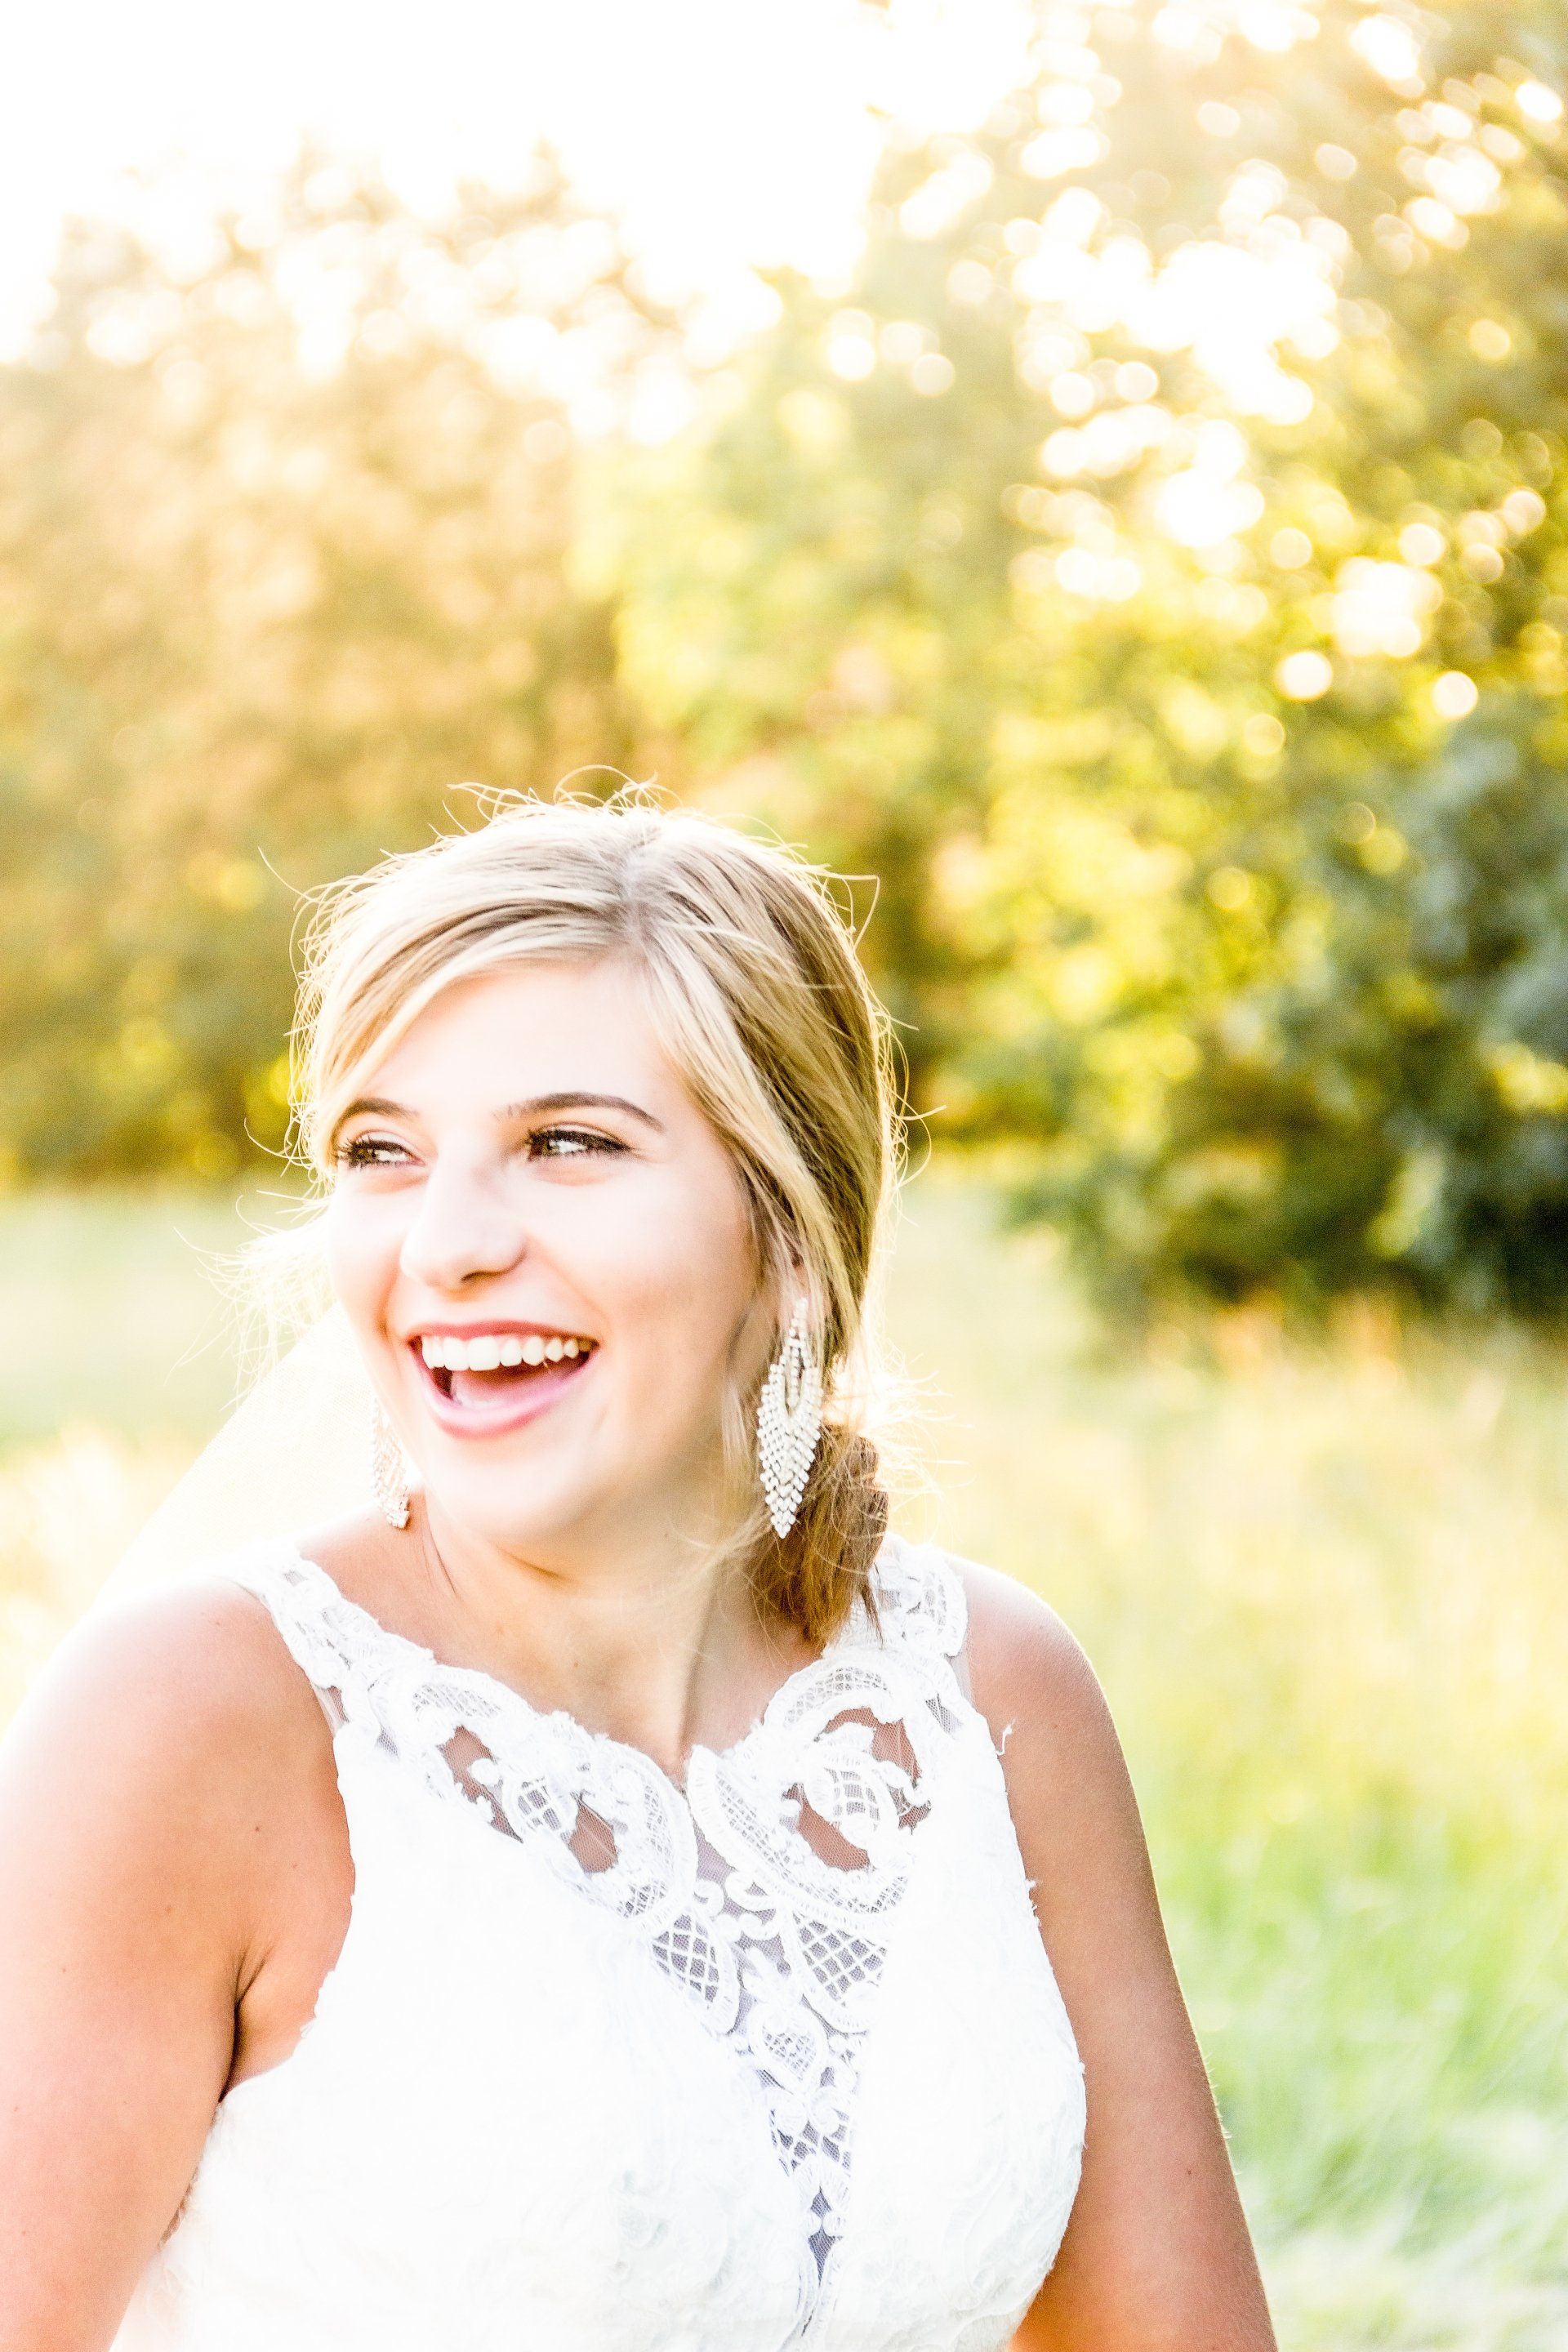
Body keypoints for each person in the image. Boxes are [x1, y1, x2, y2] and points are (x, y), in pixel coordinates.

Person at [0, 791, 1277, 2351]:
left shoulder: (992, 1696)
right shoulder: (194, 1720)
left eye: (568, 1144)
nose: (448, 1242)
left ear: (789, 1232)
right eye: (381, 1152)